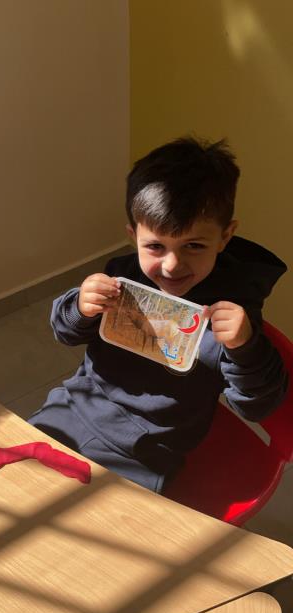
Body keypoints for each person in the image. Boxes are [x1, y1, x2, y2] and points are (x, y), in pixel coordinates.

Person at [28, 136, 288, 493]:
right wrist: (79, 307)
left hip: (147, 451)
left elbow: (257, 406)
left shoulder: (232, 309)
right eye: (154, 246)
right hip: (73, 408)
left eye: (193, 245)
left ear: (225, 237)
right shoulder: (122, 274)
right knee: (9, 485)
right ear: (133, 235)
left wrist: (245, 347)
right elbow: (65, 332)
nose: (171, 265)